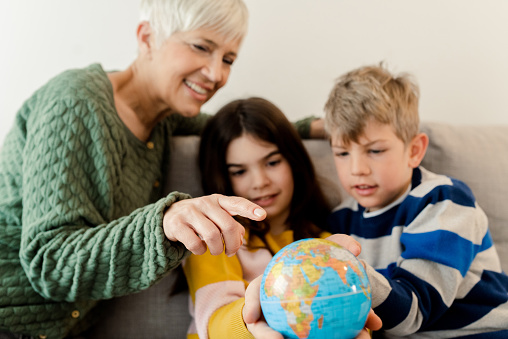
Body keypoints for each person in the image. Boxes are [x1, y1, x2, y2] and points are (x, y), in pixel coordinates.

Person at [0, 1, 329, 338]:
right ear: (147, 38)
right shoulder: (74, 103)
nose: (217, 74)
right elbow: (50, 264)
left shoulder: (167, 117)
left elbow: (233, 128)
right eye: (201, 47)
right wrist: (165, 221)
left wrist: (315, 128)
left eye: (228, 59)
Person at [324, 64, 508, 337]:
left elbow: (413, 313)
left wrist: (348, 270)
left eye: (374, 150)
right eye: (342, 153)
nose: (356, 169)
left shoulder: (445, 201)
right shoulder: (341, 219)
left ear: (414, 150)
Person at [183, 97, 382, 339]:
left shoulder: (325, 246)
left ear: (294, 161)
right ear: (222, 177)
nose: (260, 182)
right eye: (240, 171)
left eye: (272, 162)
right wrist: (259, 314)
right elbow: (215, 323)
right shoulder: (214, 240)